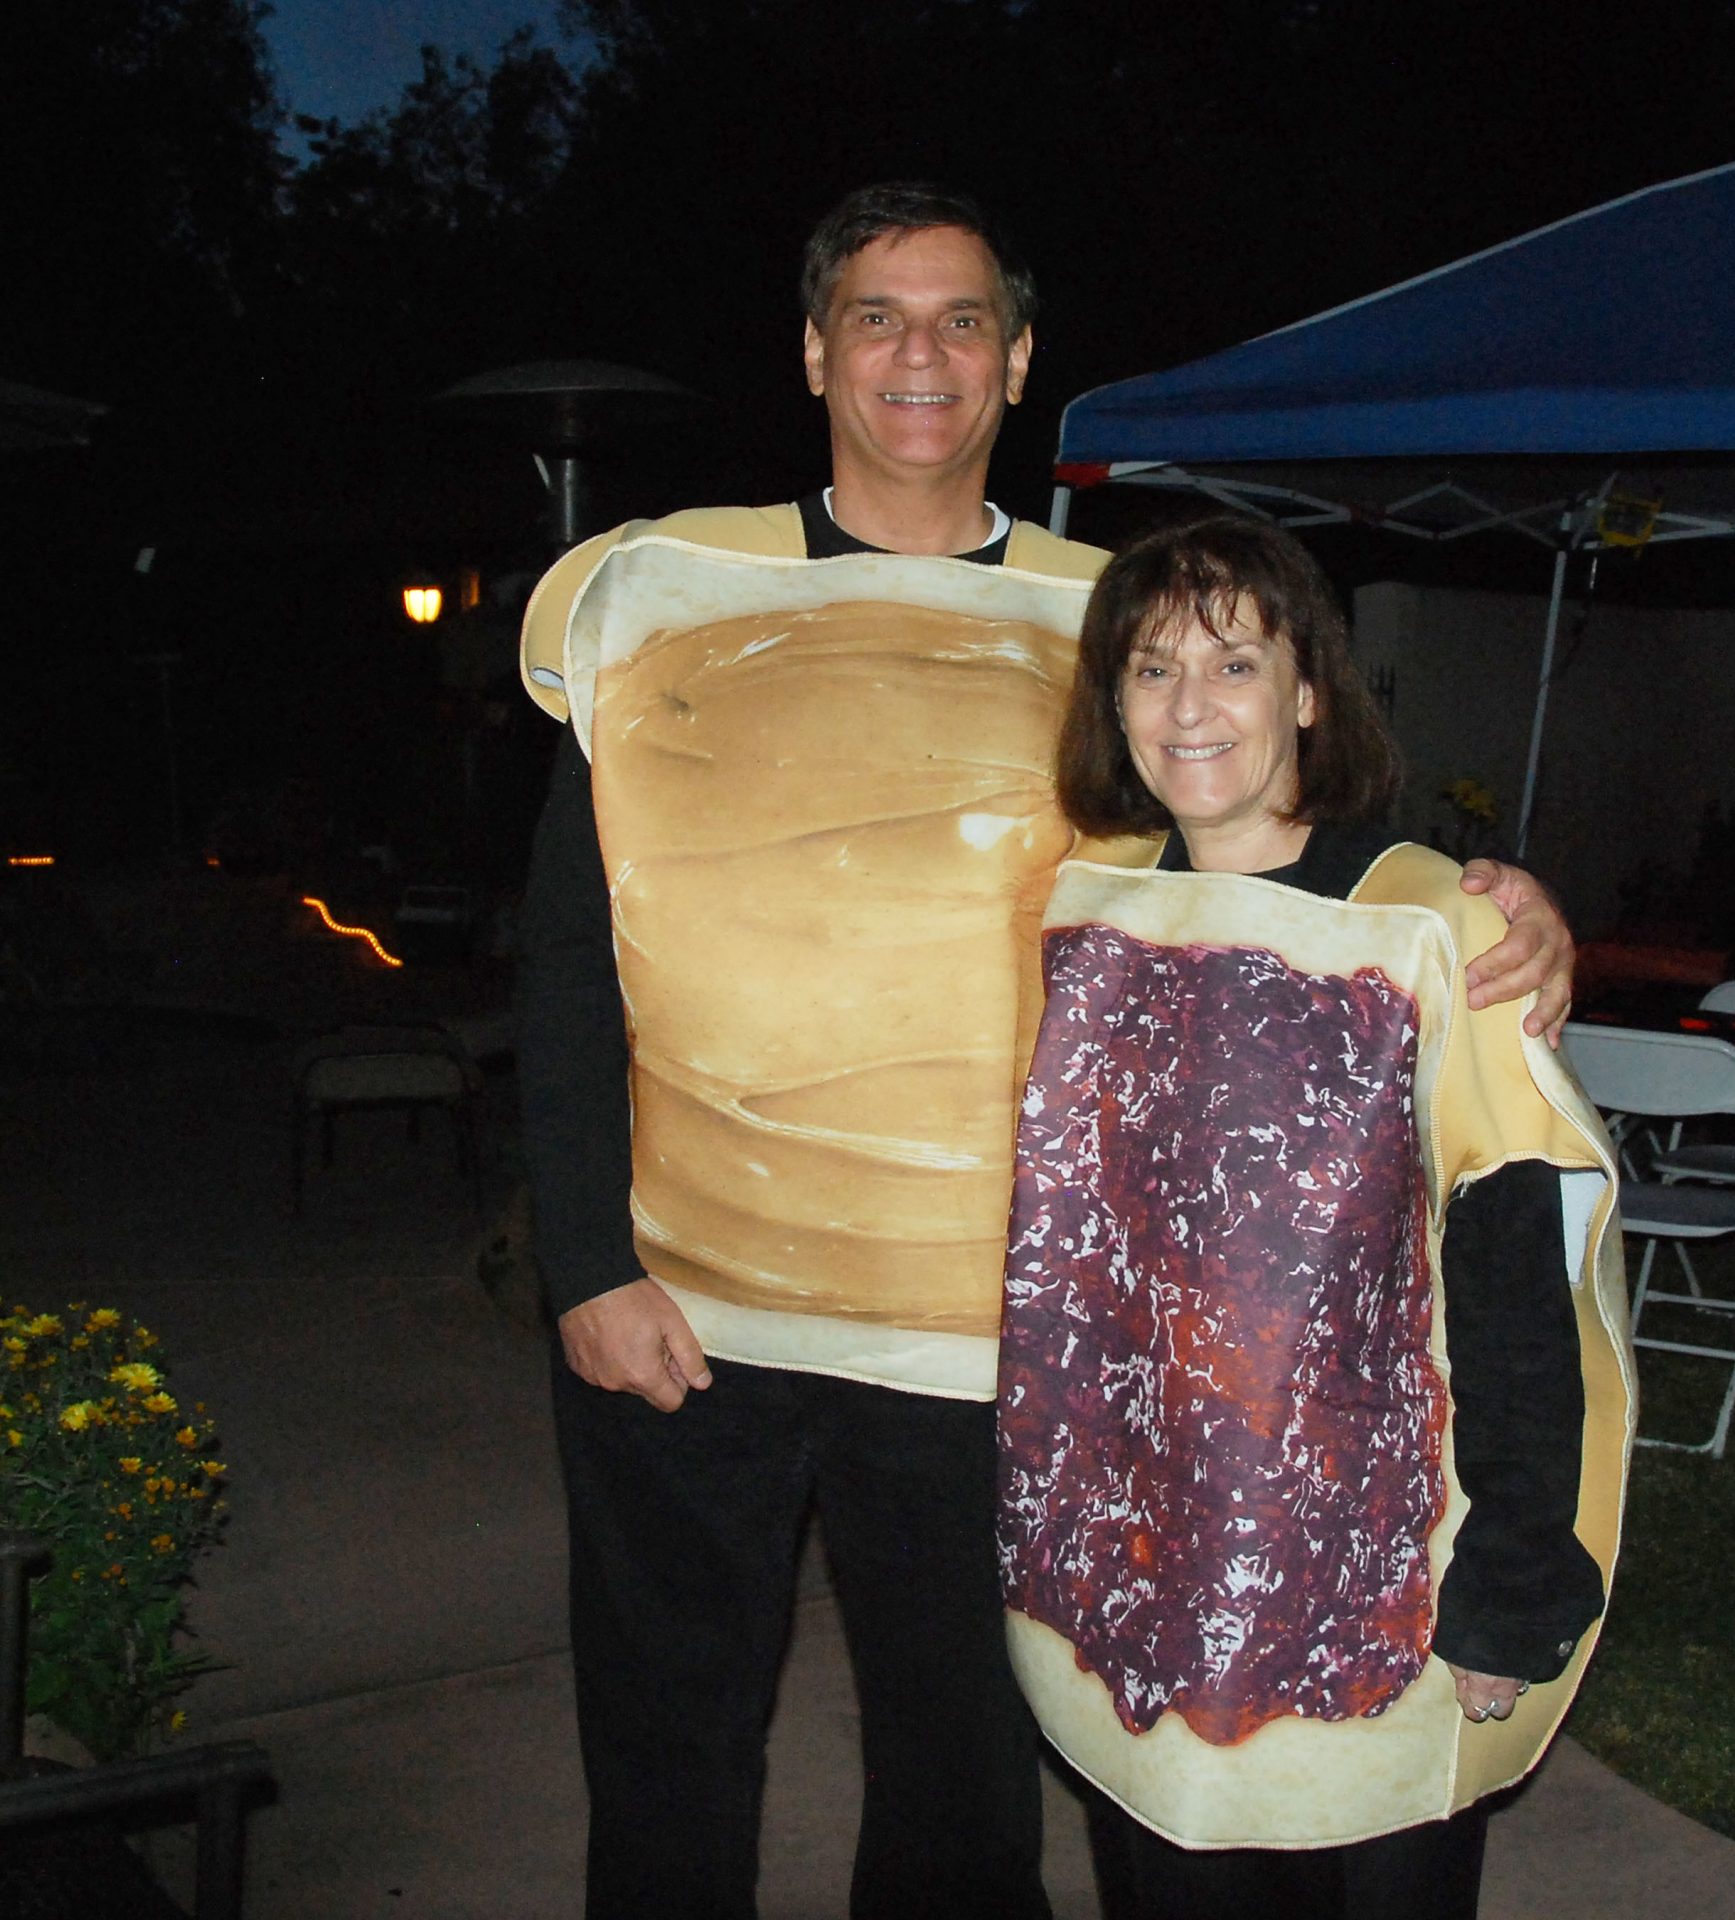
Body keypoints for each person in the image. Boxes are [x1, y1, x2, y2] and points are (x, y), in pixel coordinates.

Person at [512, 183, 1578, 1920]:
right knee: (665, 1758)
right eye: (875, 316)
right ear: (812, 350)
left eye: (957, 322)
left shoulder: (1112, 618)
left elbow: (1274, 849)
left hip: (990, 1324)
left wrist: (1503, 913)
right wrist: (582, 1256)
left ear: (1016, 358)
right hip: (684, 1310)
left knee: (961, 1782)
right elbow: (566, 955)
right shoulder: (664, 593)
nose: (916, 356)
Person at [996, 515, 1632, 1920]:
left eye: (1233, 664)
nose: (1190, 706)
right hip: (1138, 1578)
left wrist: (1512, 1584)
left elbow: (1517, 1277)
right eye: (1151, 670)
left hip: (1379, 1598)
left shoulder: (1423, 926)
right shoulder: (1088, 915)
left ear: (1308, 691)